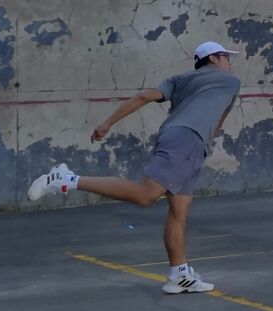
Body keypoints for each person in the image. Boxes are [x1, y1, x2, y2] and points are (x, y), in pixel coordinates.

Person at [28, 40, 242, 294]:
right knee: (147, 194)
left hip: (185, 140)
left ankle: (180, 274)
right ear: (214, 58)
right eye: (226, 57)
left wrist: (108, 123)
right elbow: (219, 122)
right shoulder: (230, 81)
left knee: (180, 208)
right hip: (187, 139)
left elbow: (144, 96)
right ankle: (66, 179)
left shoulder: (180, 79)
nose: (230, 62)